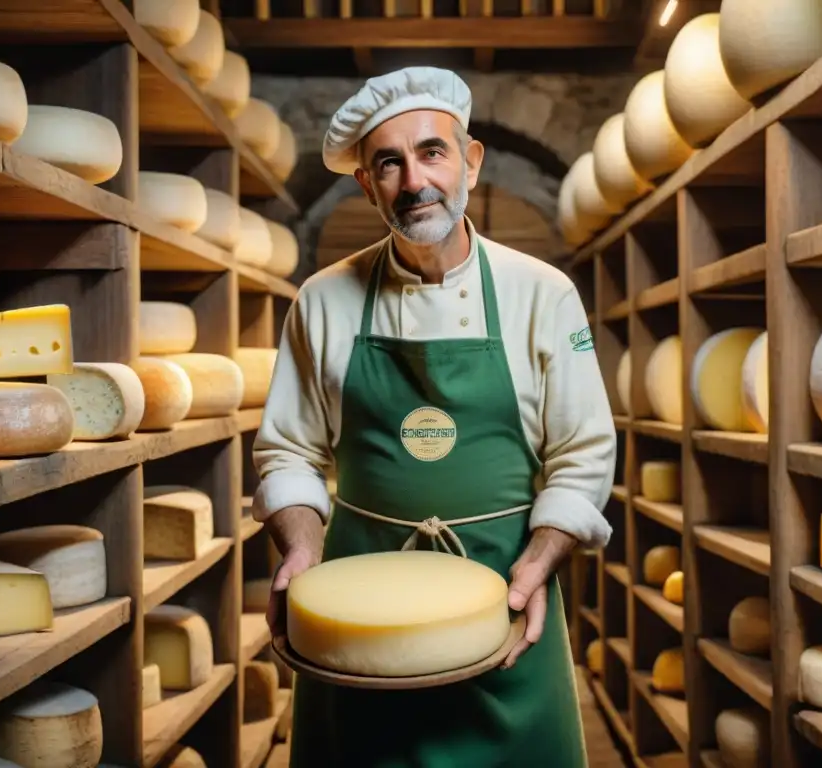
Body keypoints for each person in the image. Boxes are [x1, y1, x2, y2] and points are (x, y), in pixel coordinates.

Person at [251, 65, 617, 767]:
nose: (414, 180)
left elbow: (583, 453)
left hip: (506, 596)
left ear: (470, 162)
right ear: (366, 184)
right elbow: (289, 452)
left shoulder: (543, 294)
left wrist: (537, 566)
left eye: (432, 152)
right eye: (388, 163)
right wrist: (299, 547)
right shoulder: (323, 301)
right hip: (358, 610)